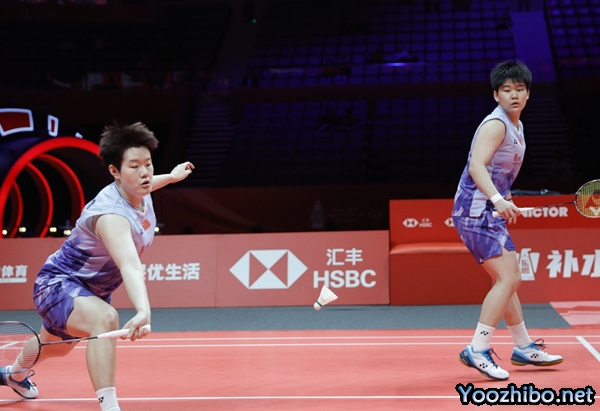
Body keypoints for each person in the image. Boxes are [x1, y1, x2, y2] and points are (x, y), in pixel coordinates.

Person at [0, 122, 194, 410]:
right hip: (58, 284)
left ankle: (12, 374)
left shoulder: (139, 188)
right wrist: (143, 311)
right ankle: (109, 406)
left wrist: (173, 177)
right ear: (115, 171)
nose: (144, 173)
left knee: (54, 346)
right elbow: (130, 265)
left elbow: (149, 182)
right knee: (105, 318)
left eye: (148, 164)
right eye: (134, 166)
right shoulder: (112, 216)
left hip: (91, 290)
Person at [452, 61, 562, 380]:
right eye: (506, 90)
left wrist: (506, 199)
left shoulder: (517, 127)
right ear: (496, 95)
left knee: (509, 278)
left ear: (528, 94)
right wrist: (497, 200)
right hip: (475, 211)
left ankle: (523, 346)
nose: (514, 95)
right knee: (509, 277)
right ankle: (477, 348)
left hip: (489, 209)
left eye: (519, 89)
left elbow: (500, 173)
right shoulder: (496, 125)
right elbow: (477, 166)